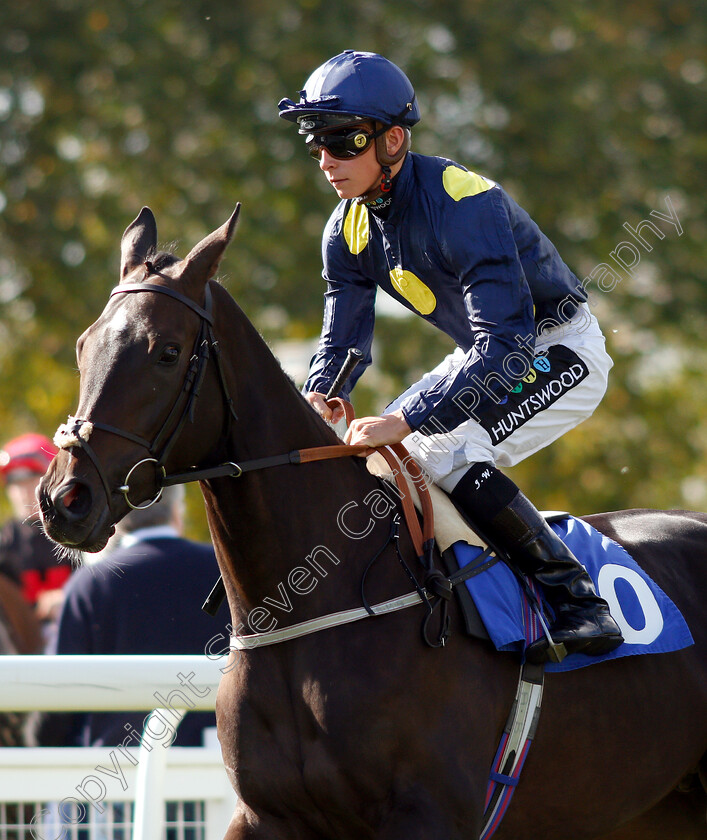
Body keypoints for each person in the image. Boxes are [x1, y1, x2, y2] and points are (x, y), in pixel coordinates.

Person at [278, 50, 623, 664]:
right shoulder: (345, 231)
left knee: (438, 447)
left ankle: (577, 599)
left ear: (393, 140)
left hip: (553, 348)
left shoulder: (467, 204)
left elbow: (506, 347)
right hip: (484, 354)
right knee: (386, 453)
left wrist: (406, 416)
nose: (328, 162)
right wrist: (321, 393)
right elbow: (343, 343)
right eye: (318, 146)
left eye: (344, 142)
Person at [36, 484, 227, 747]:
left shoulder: (90, 584)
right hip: (217, 765)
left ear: (113, 518)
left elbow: (56, 695)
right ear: (176, 512)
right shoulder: (221, 570)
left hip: (116, 771)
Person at [0, 433, 68, 637]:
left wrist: (68, 596)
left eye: (30, 480)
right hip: (22, 654)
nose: (22, 492)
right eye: (15, 483)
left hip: (78, 643)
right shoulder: (5, 542)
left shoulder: (80, 535)